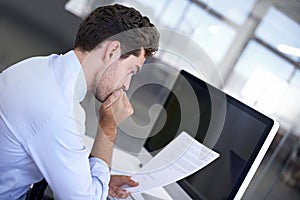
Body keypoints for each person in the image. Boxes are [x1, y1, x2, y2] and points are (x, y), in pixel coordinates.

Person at [0, 3, 159, 200]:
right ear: (112, 52)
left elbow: (53, 145)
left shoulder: (41, 67)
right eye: (131, 71)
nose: (127, 85)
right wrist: (108, 128)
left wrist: (96, 179)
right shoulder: (60, 110)